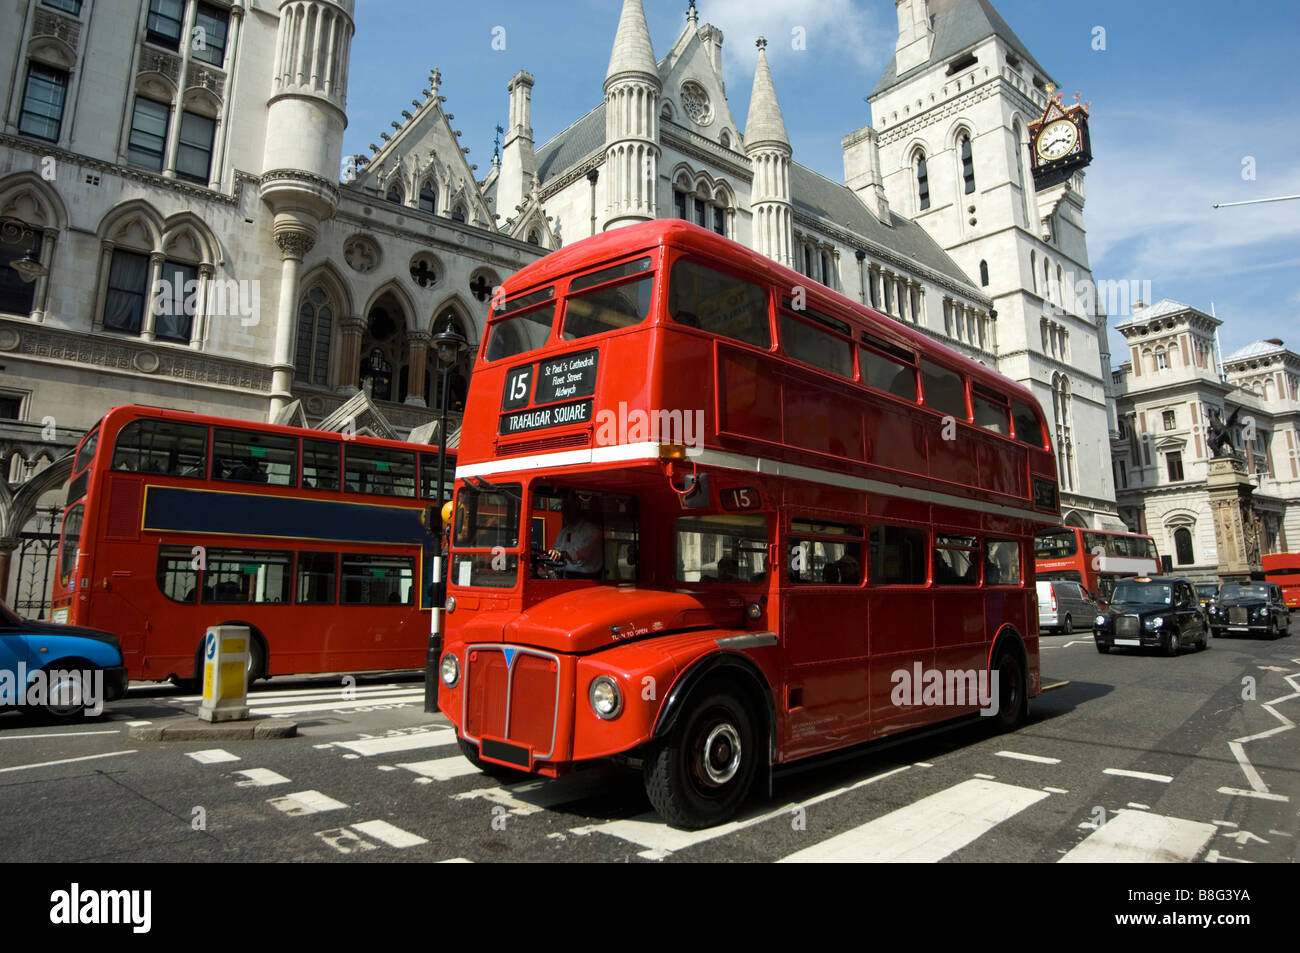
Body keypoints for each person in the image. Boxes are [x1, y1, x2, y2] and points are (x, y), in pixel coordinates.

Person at [546, 493, 604, 580]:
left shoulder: (592, 531)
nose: (564, 511)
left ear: (578, 509)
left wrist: (562, 554)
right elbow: (556, 552)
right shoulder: (563, 532)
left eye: (568, 507)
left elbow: (579, 556)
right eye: (563, 507)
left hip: (586, 580)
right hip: (564, 577)